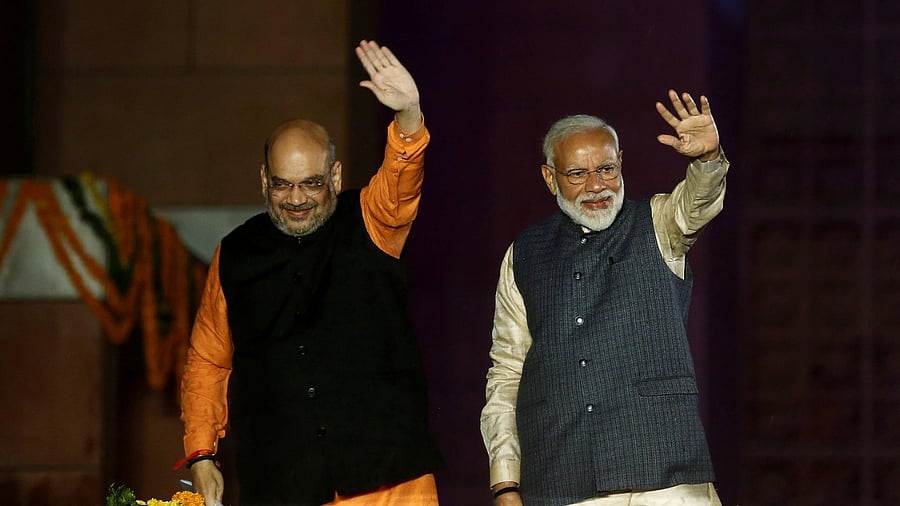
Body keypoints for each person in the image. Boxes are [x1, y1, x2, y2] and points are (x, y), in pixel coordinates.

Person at [177, 40, 443, 506]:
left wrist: (409, 117)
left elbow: (402, 177)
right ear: (264, 180)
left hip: (390, 484)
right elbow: (208, 360)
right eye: (282, 185)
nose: (296, 199)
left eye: (311, 184)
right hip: (282, 483)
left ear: (336, 178)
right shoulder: (236, 253)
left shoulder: (372, 220)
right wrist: (202, 455)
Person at [480, 90, 729, 506]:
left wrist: (707, 160)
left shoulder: (659, 222)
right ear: (549, 177)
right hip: (563, 480)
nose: (597, 186)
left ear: (621, 165)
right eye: (577, 174)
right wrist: (505, 482)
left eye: (607, 169)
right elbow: (507, 373)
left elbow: (698, 204)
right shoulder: (525, 253)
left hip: (666, 479)